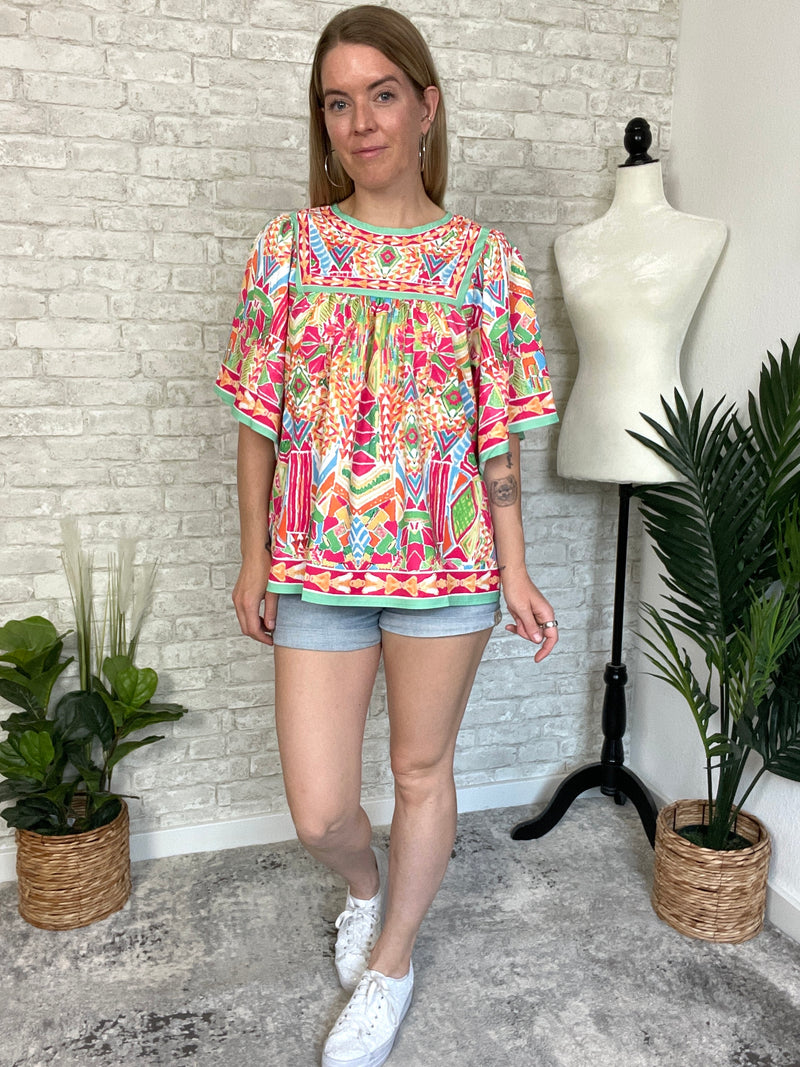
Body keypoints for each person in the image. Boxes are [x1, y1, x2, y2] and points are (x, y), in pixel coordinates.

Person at [214, 7, 559, 1065]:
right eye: (337, 101)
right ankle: (363, 888)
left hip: (448, 570)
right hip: (315, 567)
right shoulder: (288, 248)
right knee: (320, 811)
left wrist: (513, 568)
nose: (360, 120)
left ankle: (392, 963)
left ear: (425, 107)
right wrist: (254, 555)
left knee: (420, 770)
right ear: (322, 121)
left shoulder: (482, 262)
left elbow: (496, 434)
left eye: (381, 94)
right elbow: (258, 419)